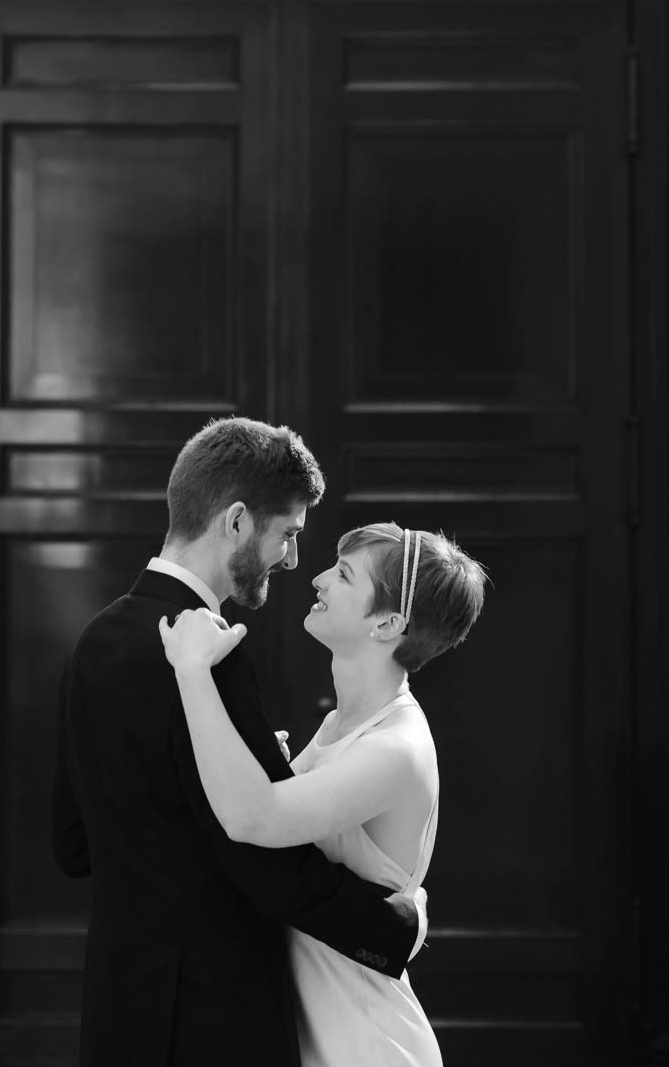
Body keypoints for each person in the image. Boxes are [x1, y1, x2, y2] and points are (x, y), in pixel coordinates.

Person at [52, 419, 427, 1067]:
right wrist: (392, 928)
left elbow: (72, 843)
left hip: (117, 1005)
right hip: (215, 1013)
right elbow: (263, 857)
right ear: (235, 522)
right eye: (286, 534)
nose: (290, 559)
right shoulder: (212, 655)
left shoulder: (95, 641)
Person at [160, 520, 487, 1067]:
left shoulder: (396, 749)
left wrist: (193, 672)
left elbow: (252, 819)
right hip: (310, 1032)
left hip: (363, 1043)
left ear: (388, 623)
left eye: (342, 574)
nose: (316, 579)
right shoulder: (341, 724)